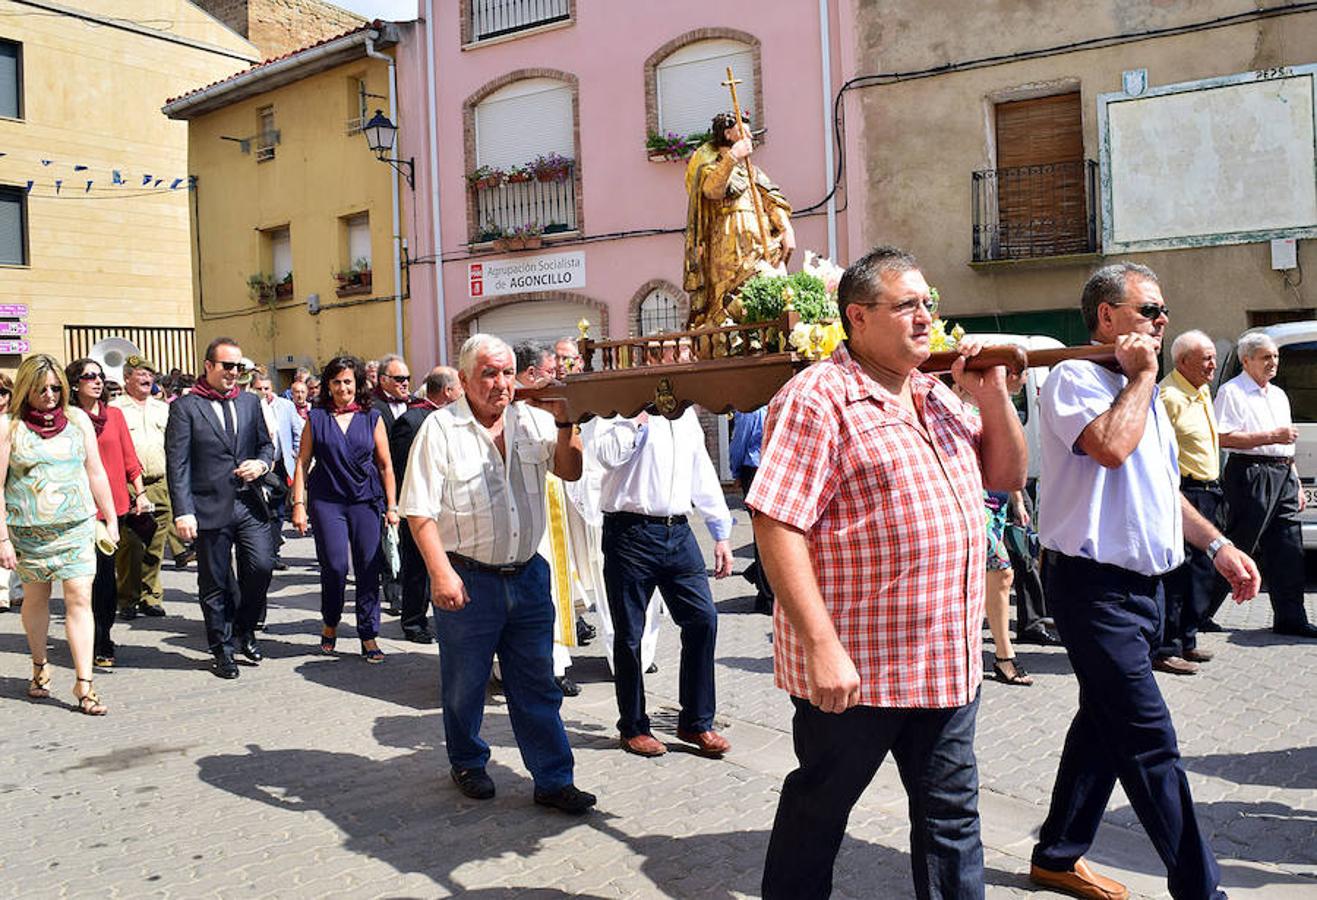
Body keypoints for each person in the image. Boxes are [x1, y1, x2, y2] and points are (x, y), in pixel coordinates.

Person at [749, 246, 1026, 899]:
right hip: (858, 670)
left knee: (952, 822)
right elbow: (775, 523)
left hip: (946, 663)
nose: (925, 316)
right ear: (858, 316)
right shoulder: (818, 397)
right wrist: (822, 649)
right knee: (820, 810)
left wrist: (991, 399)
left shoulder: (934, 393)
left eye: (927, 302)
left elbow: (1004, 476)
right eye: (906, 305)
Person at [1029, 263, 1260, 900]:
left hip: (1147, 592)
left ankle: (1056, 854)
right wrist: (1145, 377)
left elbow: (1161, 489)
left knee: (1103, 726)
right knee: (1150, 743)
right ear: (1106, 317)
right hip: (1093, 590)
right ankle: (1200, 889)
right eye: (1148, 312)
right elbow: (1108, 447)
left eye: (1162, 313)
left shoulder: (1144, 391)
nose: (1162, 323)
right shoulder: (1073, 380)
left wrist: (1217, 544)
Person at [400, 333, 596, 814]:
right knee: (465, 683)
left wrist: (568, 420)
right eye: (489, 373)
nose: (501, 383)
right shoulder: (440, 429)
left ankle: (553, 777)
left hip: (528, 575)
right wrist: (441, 575)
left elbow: (569, 471)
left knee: (537, 683)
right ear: (464, 379)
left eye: (507, 372)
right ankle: (467, 760)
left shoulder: (532, 420)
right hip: (469, 579)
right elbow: (419, 513)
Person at [594, 404, 734, 759]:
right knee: (629, 634)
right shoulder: (618, 409)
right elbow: (606, 456)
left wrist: (721, 532)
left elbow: (701, 472)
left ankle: (696, 721)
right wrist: (637, 417)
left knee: (703, 619)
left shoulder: (686, 417)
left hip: (678, 531)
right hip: (629, 531)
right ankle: (633, 726)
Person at [1, 355, 119, 714]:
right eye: (42, 389)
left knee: (79, 599)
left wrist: (110, 518)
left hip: (76, 528)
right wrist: (2, 538)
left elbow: (95, 471)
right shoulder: (10, 426)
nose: (50, 395)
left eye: (56, 387)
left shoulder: (78, 419)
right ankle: (39, 665)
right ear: (26, 389)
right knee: (36, 600)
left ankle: (85, 685)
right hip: (30, 534)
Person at [166, 336, 276, 679]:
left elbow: (265, 446)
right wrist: (183, 511)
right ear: (208, 366)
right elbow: (178, 463)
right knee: (214, 583)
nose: (234, 373)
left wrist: (261, 465)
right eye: (227, 366)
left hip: (248, 502)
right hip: (208, 506)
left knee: (261, 567)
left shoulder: (248, 402)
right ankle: (222, 649)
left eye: (238, 367)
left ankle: (244, 628)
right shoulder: (186, 407)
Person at [291, 356, 399, 662]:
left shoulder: (371, 416)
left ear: (358, 384)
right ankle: (330, 621)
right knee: (335, 566)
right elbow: (302, 462)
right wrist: (298, 504)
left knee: (368, 566)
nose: (343, 388)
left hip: (365, 500)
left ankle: (369, 634)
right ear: (328, 385)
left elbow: (385, 465)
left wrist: (392, 506)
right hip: (327, 501)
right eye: (336, 382)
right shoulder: (318, 416)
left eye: (348, 381)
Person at [1209, 332, 1314, 638]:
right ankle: (1199, 612)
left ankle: (1291, 617)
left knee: (1288, 548)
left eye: (1276, 357)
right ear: (1247, 360)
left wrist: (1294, 481)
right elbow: (1222, 437)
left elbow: (1286, 445)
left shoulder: (1278, 395)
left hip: (1282, 474)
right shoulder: (1232, 392)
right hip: (1250, 474)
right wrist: (1271, 437)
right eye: (1266, 357)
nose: (1273, 363)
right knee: (1237, 545)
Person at [67, 357, 147, 670]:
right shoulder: (67, 418)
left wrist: (139, 492)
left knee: (103, 579)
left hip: (112, 509)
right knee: (80, 581)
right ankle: (85, 635)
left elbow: (129, 458)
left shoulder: (113, 416)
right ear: (75, 383)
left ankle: (103, 638)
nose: (98, 381)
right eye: (89, 377)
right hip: (76, 509)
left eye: (100, 376)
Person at [684, 110, 795, 329]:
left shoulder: (753, 171)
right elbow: (712, 190)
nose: (750, 135)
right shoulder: (711, 167)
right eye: (743, 130)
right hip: (728, 240)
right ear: (727, 133)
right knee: (730, 293)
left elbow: (771, 200)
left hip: (760, 239)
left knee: (769, 285)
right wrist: (732, 157)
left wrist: (786, 230)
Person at [515, 341, 583, 695]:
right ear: (530, 375)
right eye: (551, 371)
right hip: (528, 521)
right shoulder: (516, 413)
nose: (557, 377)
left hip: (551, 510)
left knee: (554, 592)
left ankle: (554, 664)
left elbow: (571, 465)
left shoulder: (550, 412)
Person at [1156, 330, 1224, 671]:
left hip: (1209, 491)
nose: (1213, 365)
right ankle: (1166, 646)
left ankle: (1188, 640)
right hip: (1184, 492)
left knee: (1200, 572)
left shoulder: (1201, 391)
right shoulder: (1169, 396)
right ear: (1183, 362)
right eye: (1207, 359)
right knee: (1177, 574)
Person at [388, 366, 461, 644]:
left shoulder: (453, 419)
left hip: (449, 506)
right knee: (418, 567)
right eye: (459, 387)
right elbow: (403, 468)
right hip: (420, 505)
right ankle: (413, 622)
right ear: (448, 391)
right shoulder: (412, 420)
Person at [111, 355, 172, 620]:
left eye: (150, 374)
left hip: (160, 482)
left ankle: (151, 596)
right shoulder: (116, 409)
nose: (148, 379)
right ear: (127, 379)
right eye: (141, 374)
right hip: (129, 485)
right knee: (131, 545)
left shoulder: (162, 408)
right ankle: (127, 598)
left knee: (156, 544)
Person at [372, 353, 411, 616]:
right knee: (388, 541)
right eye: (399, 379)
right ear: (384, 380)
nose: (405, 383)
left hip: (410, 480)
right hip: (384, 480)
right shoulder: (373, 407)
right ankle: (393, 593)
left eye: (408, 378)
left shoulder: (414, 404)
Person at [249, 371, 301, 574]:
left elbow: (297, 431)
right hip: (257, 466)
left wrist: (297, 458)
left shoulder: (285, 406)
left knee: (278, 511)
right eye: (259, 389)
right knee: (261, 509)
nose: (264, 393)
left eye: (267, 388)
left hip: (280, 465)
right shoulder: (252, 406)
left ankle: (273, 553)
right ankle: (261, 552)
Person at [729, 407, 773, 614]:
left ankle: (767, 595)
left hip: (754, 470)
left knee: (762, 535)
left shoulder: (749, 407)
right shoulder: (778, 402)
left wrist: (735, 470)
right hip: (774, 469)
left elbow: (739, 442)